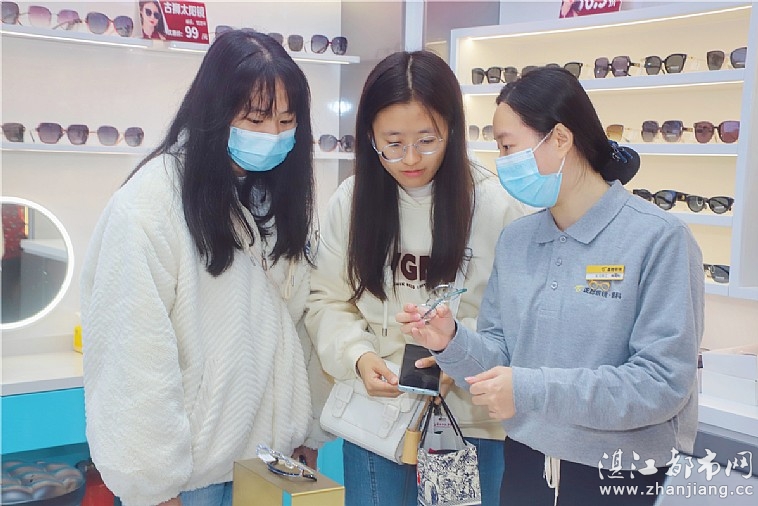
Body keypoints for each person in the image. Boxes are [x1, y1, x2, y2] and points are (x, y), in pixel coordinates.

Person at [398, 66, 704, 505]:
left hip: (618, 472)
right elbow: (502, 357)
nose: (502, 162)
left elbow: (661, 383)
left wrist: (530, 390)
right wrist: (450, 342)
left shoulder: (658, 239)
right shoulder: (518, 239)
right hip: (525, 460)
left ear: (560, 138)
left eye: (508, 146)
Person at [80, 30, 331, 506]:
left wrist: (308, 429)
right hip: (190, 478)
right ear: (215, 111)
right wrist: (152, 486)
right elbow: (133, 357)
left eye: (286, 120)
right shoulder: (150, 205)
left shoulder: (271, 198)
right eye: (255, 118)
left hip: (267, 462)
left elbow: (300, 322)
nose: (272, 135)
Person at [306, 50, 527, 506]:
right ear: (370, 136)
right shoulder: (352, 202)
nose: (410, 158)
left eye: (427, 141)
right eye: (392, 143)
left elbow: (513, 319)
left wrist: (457, 358)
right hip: (378, 411)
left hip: (470, 421)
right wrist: (359, 357)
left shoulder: (495, 205)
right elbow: (327, 299)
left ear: (452, 130)